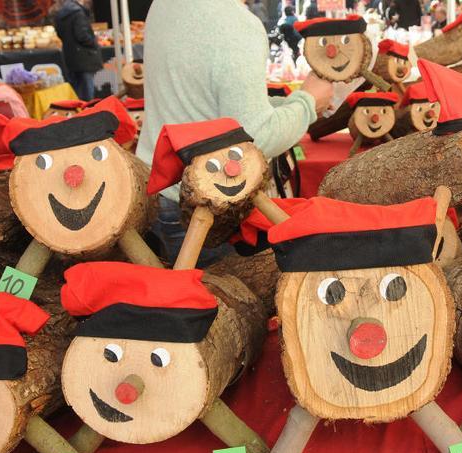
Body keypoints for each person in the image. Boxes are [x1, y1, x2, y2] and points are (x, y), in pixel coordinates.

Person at [137, 0, 333, 265]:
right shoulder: (236, 24)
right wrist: (308, 103)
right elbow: (257, 137)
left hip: (158, 191)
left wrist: (291, 104)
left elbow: (206, 104)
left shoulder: (164, 4)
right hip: (205, 206)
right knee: (223, 301)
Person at [54, 0, 102, 101]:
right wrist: (94, 42)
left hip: (70, 56)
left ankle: (79, 113)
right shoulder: (78, 13)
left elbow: (59, 34)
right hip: (84, 57)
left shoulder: (61, 14)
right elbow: (82, 36)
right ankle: (87, 112)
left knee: (77, 91)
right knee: (87, 93)